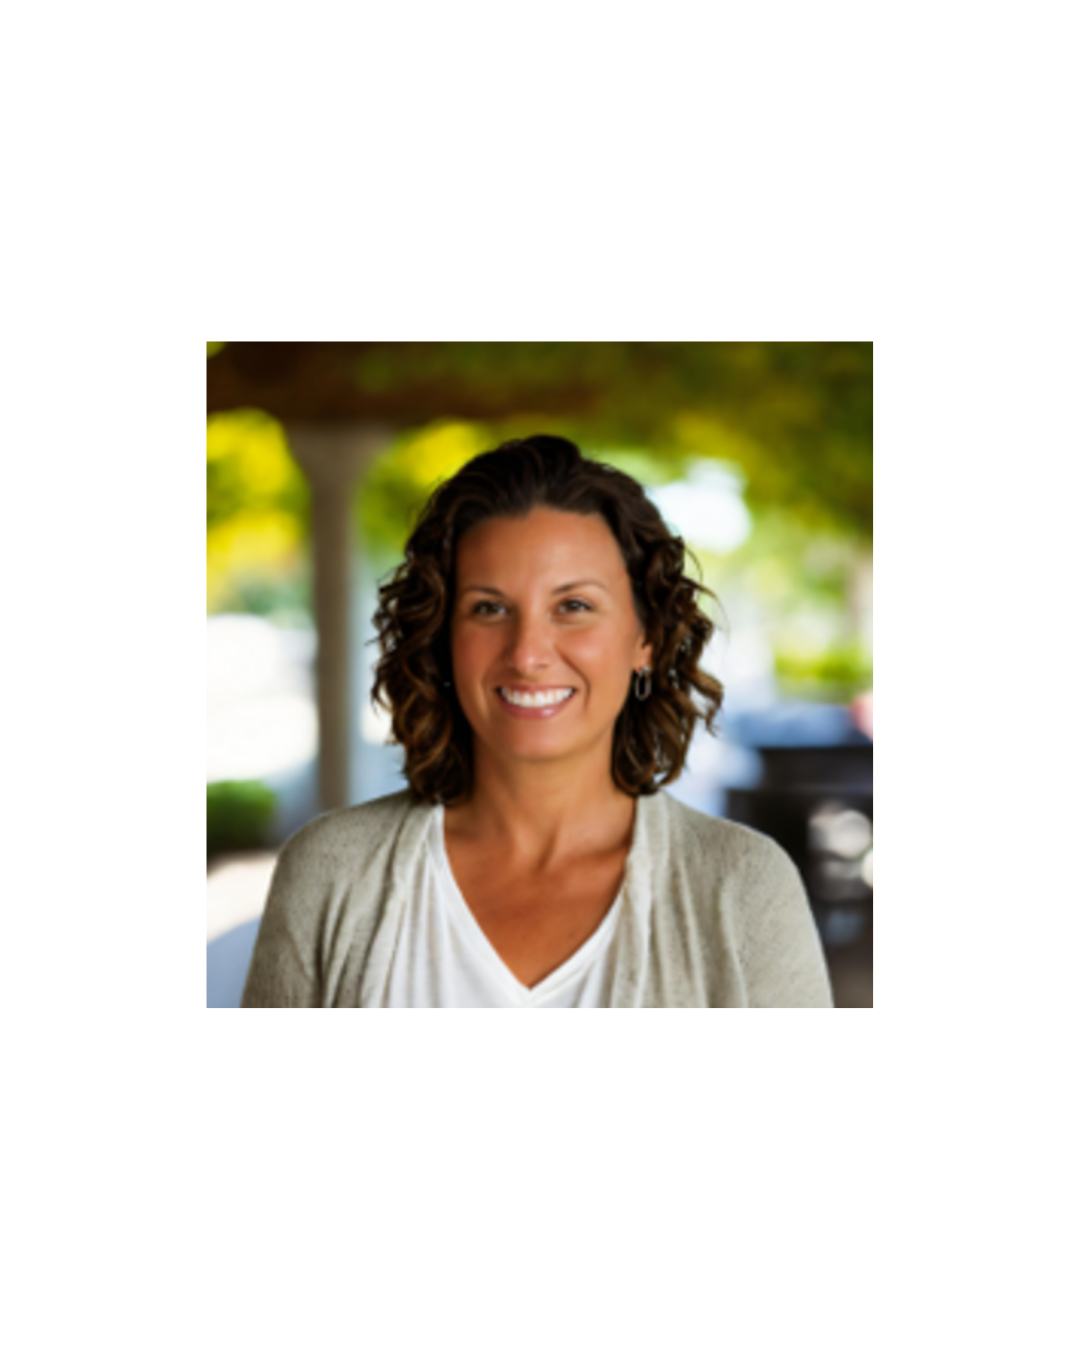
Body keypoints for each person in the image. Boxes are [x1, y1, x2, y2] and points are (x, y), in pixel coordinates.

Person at [241, 435, 833, 1023]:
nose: (527, 654)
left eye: (573, 606)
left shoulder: (745, 888)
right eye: (489, 608)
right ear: (444, 638)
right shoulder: (329, 874)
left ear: (646, 638)